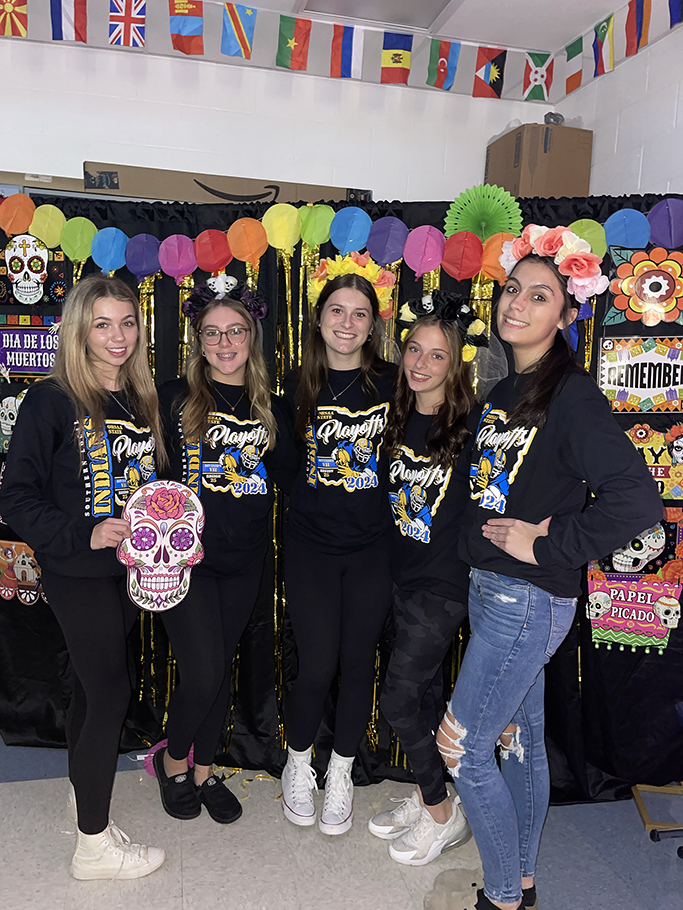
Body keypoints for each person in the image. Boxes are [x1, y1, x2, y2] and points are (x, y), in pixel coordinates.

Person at [435, 228, 663, 910]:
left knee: (462, 749)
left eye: (540, 296)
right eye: (511, 290)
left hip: (526, 600)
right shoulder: (509, 391)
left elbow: (636, 498)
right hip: (498, 595)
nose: (517, 305)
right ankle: (524, 882)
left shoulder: (572, 397)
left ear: (566, 314)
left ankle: (501, 895)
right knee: (521, 745)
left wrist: (548, 543)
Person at [0, 275, 167, 880]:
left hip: (126, 571)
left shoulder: (139, 397)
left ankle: (83, 795)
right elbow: (14, 495)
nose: (117, 336)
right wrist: (84, 532)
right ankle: (93, 846)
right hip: (77, 568)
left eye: (127, 322)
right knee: (110, 694)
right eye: (103, 324)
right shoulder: (52, 399)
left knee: (92, 689)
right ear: (79, 329)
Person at [155, 275, 298, 824]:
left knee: (224, 668)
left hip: (244, 563)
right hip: (182, 563)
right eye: (211, 333)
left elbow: (294, 482)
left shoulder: (272, 410)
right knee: (203, 673)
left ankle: (204, 768)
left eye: (235, 330)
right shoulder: (172, 399)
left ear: (251, 337)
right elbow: (145, 478)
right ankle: (171, 761)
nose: (224, 342)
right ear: (199, 341)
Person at [368, 300, 486, 866]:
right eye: (414, 348)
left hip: (442, 587)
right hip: (399, 577)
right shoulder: (394, 416)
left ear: (455, 365)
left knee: (397, 700)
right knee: (425, 694)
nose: (421, 362)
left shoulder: (474, 427)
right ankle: (426, 794)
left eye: (437, 355)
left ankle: (443, 813)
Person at [281, 271, 396, 835]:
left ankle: (342, 771)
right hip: (310, 550)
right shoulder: (294, 385)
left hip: (372, 548)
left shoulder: (395, 383)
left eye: (359, 313)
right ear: (320, 318)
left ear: (373, 324)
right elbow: (275, 471)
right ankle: (298, 763)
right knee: (318, 662)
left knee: (358, 665)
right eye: (337, 311)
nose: (347, 323)